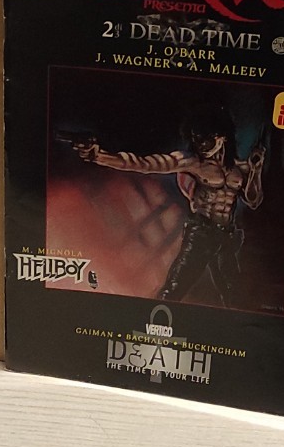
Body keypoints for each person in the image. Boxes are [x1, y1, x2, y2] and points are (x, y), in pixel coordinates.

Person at [71, 106, 264, 307]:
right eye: (196, 139)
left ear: (221, 137)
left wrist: (256, 171)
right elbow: (145, 164)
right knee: (174, 289)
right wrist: (99, 156)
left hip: (226, 236)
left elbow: (253, 200)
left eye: (206, 139)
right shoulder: (192, 162)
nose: (200, 145)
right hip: (202, 234)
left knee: (233, 294)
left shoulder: (239, 168)